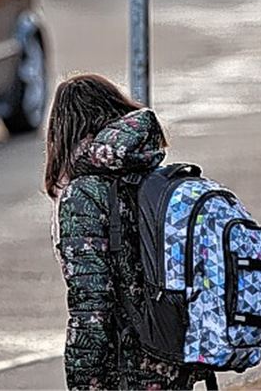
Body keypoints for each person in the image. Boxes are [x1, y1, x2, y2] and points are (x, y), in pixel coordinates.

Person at [45, 74, 205, 390]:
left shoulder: (84, 194)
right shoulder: (155, 178)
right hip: (169, 351)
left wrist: (82, 379)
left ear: (63, 132)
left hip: (124, 367)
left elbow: (91, 302)